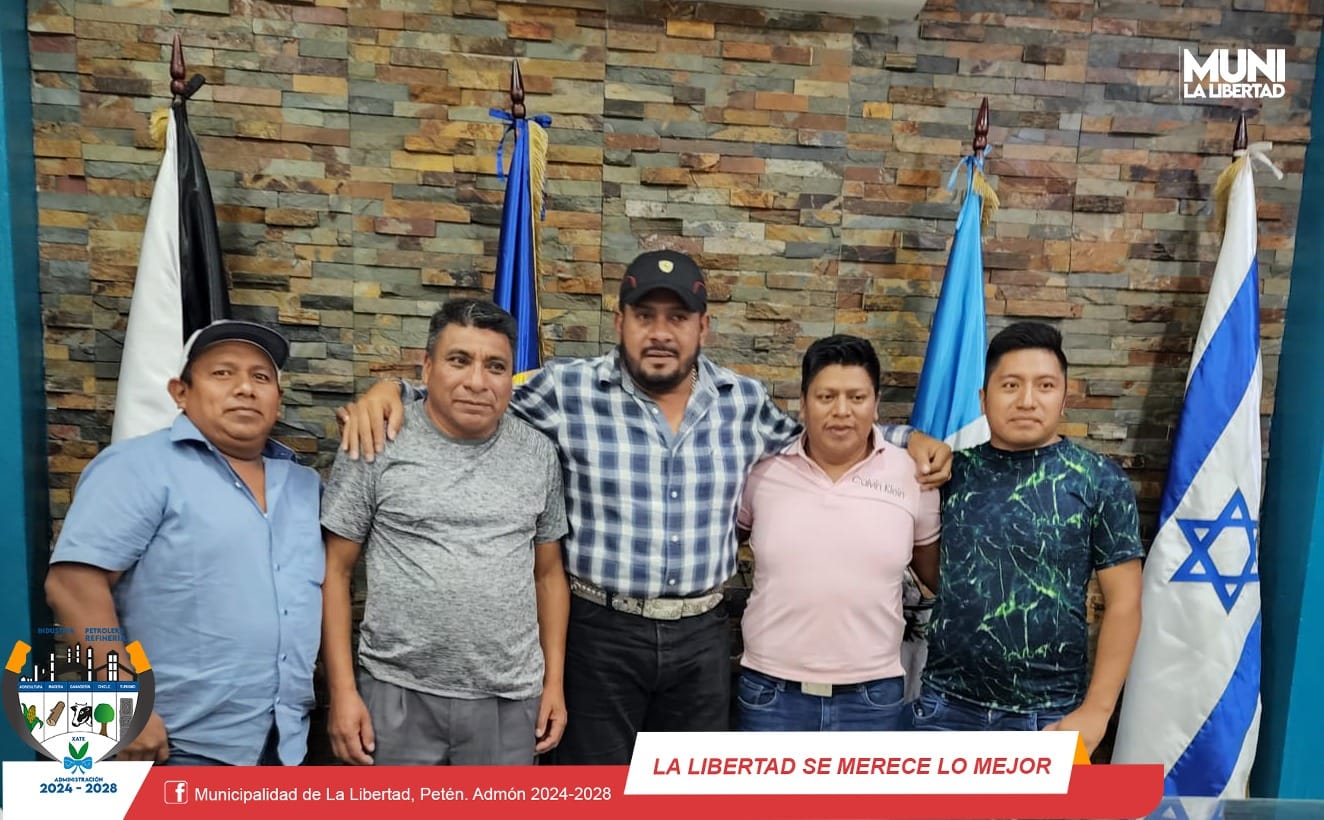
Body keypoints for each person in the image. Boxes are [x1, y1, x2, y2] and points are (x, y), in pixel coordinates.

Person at [340, 250, 953, 764]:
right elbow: (477, 395)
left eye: (677, 317)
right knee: (592, 793)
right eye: (645, 316)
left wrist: (908, 438)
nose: (661, 332)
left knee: (686, 794)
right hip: (599, 632)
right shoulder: (567, 390)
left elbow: (827, 429)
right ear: (620, 321)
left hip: (700, 635)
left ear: (702, 327)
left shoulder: (742, 401)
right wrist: (392, 390)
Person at [46, 320, 322, 766]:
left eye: (260, 377)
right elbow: (72, 585)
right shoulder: (138, 466)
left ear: (278, 401)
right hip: (171, 745)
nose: (245, 388)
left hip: (285, 743)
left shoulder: (305, 486)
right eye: (222, 373)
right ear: (180, 393)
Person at [320, 299, 569, 766]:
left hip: (509, 701)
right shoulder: (377, 439)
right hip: (395, 694)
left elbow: (549, 575)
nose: (477, 381)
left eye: (495, 366)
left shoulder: (538, 453)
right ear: (427, 367)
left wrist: (553, 682)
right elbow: (335, 572)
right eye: (459, 360)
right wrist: (343, 691)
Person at [910, 321, 1143, 754]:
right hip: (945, 708)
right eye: (1011, 385)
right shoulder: (951, 474)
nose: (1027, 400)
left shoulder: (1098, 480)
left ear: (1064, 397)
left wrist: (1097, 710)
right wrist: (912, 440)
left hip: (1051, 715)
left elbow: (1125, 602)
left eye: (1045, 385)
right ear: (983, 398)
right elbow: (937, 571)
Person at [735, 335, 940, 732]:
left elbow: (935, 579)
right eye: (826, 397)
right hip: (770, 693)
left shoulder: (913, 476)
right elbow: (723, 548)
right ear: (803, 402)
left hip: (873, 697)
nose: (841, 411)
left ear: (876, 404)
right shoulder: (761, 472)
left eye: (857, 398)